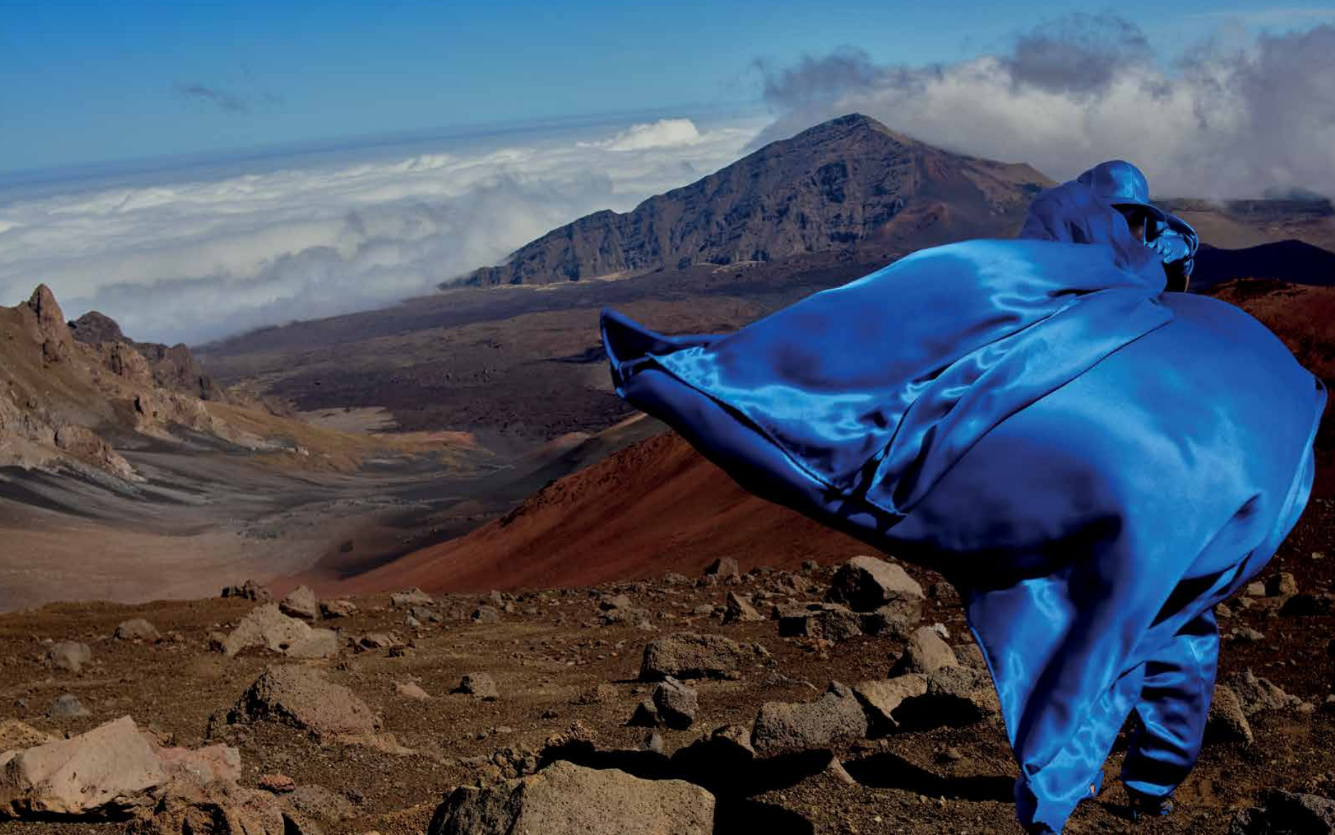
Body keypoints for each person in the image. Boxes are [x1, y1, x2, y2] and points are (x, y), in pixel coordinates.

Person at [598, 160, 1325, 834]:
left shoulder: (1068, 284)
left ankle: (1057, 788)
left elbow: (960, 298)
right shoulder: (1174, 306)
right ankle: (1155, 781)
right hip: (1271, 479)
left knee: (1092, 607)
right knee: (1178, 610)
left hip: (1160, 496)